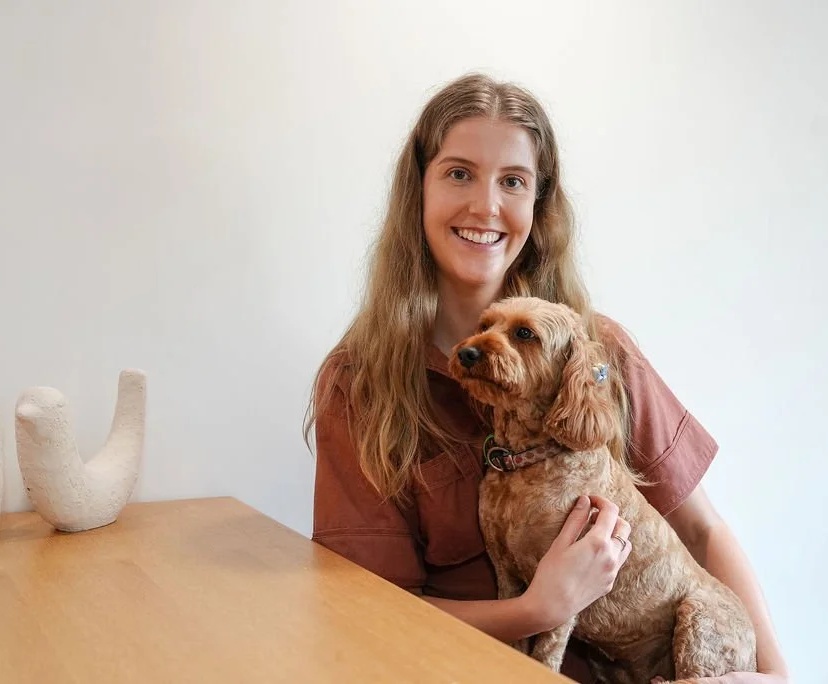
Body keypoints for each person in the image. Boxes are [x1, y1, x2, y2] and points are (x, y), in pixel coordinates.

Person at [304, 72, 789, 684]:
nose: (486, 206)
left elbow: (701, 529)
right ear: (418, 191)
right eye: (459, 173)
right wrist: (535, 609)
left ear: (538, 203)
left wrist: (773, 679)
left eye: (513, 181)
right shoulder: (362, 384)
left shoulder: (597, 349)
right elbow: (369, 610)